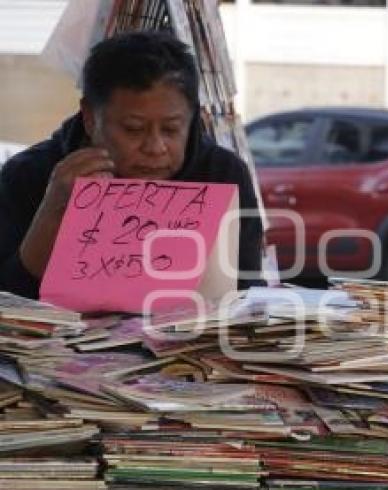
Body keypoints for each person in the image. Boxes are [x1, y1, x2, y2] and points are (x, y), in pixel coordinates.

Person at [0, 31, 265, 298]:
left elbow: (248, 296)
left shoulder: (223, 175)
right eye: (133, 129)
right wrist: (52, 209)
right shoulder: (30, 174)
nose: (155, 147)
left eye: (171, 129)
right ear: (91, 118)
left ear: (192, 119)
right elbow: (9, 297)